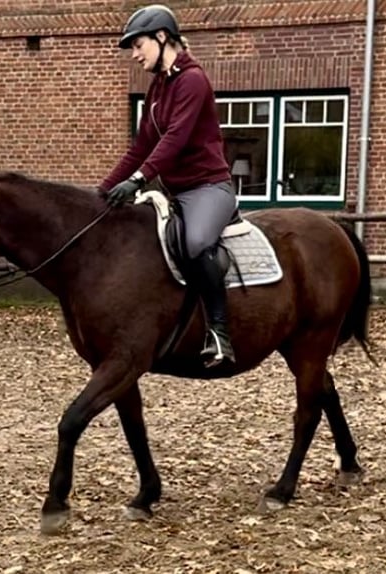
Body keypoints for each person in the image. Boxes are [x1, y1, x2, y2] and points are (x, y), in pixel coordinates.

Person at [97, 4, 237, 368]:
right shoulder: (156, 90)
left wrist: (139, 180)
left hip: (209, 188)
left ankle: (219, 333)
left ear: (162, 37)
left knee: (195, 243)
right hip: (175, 194)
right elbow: (140, 148)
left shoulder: (192, 80)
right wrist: (103, 192)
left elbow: (174, 140)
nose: (134, 54)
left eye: (138, 44)